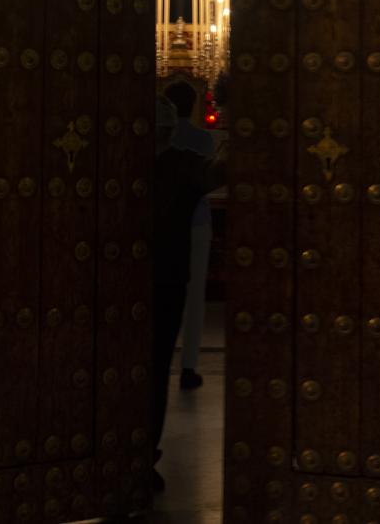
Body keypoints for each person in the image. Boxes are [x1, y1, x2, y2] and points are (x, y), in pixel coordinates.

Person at [150, 94, 225, 492]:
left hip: (136, 282)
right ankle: (144, 454)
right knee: (156, 369)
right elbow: (219, 173)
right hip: (167, 277)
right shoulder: (182, 164)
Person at [163, 80, 215, 390]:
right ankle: (188, 366)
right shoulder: (204, 140)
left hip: (163, 223)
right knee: (195, 296)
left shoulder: (159, 137)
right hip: (196, 222)